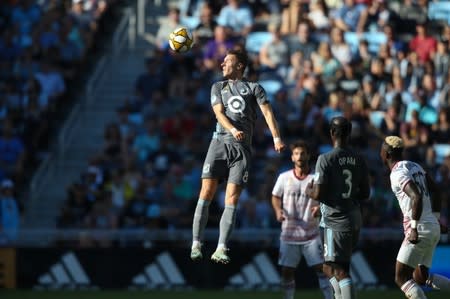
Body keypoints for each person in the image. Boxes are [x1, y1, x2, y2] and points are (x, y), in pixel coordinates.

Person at [191, 49, 286, 264]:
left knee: (232, 198)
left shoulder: (255, 89)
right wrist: (233, 130)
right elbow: (218, 113)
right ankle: (197, 242)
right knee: (206, 191)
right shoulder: (218, 87)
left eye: (227, 61)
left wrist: (276, 138)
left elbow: (268, 113)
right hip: (219, 143)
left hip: (241, 149)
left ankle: (222, 247)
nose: (222, 64)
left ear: (240, 65)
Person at [306, 116, 370, 299]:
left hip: (335, 221)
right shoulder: (359, 159)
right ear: (349, 133)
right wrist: (345, 195)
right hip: (354, 217)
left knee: (341, 271)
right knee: (328, 267)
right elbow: (365, 194)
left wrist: (309, 190)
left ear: (332, 133)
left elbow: (317, 193)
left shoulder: (325, 159)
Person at [380, 136, 450, 299]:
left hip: (420, 229)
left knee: (401, 277)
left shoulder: (397, 173)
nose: (380, 152)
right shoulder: (414, 166)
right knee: (421, 277)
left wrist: (413, 227)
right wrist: (437, 219)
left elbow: (416, 196)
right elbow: (436, 191)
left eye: (382, 149)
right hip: (431, 227)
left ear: (387, 154)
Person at [272, 140, 333, 299]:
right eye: (296, 153)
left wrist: (320, 208)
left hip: (311, 234)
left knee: (322, 269)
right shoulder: (284, 177)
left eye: (302, 153)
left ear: (308, 155)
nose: (299, 156)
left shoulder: (316, 178)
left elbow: (327, 199)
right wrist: (278, 210)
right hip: (289, 233)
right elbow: (275, 196)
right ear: (292, 157)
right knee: (287, 271)